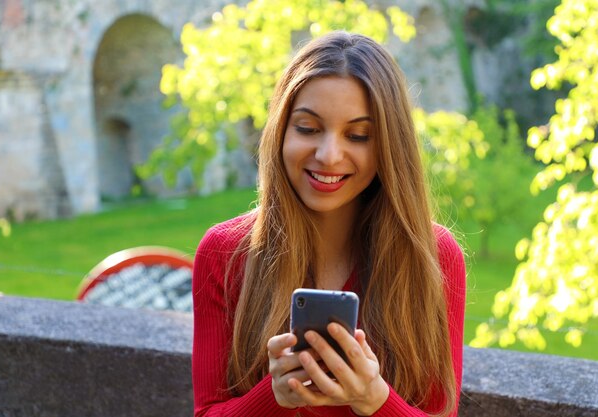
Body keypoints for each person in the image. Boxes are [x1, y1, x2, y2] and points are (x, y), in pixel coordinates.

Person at [192, 31, 466, 417]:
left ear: (389, 145)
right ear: (281, 131)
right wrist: (277, 397)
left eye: (358, 135)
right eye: (307, 128)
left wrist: (375, 399)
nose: (328, 155)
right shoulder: (225, 252)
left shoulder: (434, 256)